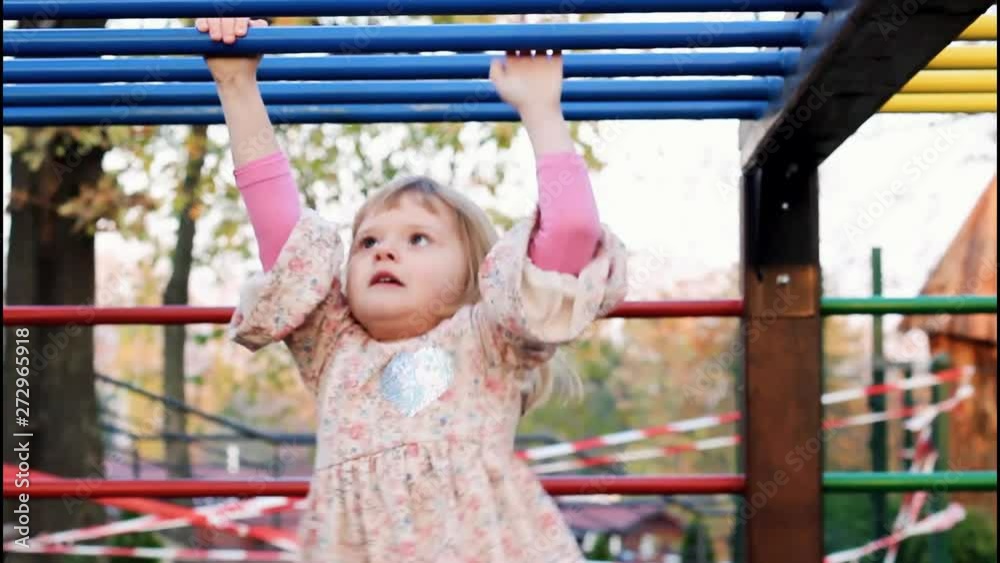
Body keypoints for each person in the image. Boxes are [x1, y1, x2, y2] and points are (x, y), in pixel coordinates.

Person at [197, 16, 629, 563]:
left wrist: (541, 111)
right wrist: (236, 86)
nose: (384, 250)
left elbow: (568, 235)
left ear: (478, 274)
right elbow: (284, 238)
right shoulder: (333, 348)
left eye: (418, 238)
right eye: (367, 240)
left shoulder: (487, 337)